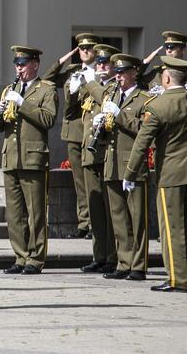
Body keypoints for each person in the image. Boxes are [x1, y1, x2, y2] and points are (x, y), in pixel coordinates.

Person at [84, 53, 150, 280]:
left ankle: (139, 265)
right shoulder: (112, 94)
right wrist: (98, 128)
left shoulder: (144, 98)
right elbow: (107, 134)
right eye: (117, 72)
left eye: (123, 73)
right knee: (118, 218)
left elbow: (144, 129)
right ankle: (123, 262)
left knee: (137, 217)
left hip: (133, 165)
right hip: (111, 163)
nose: (119, 77)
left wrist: (119, 115)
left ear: (134, 73)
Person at [124, 56, 187, 293]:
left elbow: (142, 143)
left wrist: (130, 172)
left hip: (171, 174)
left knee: (171, 228)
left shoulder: (158, 106)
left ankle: (178, 278)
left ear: (167, 77)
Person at [0, 46, 57, 275]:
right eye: (16, 64)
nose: (18, 68)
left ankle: (35, 258)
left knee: (36, 212)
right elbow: (1, 127)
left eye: (23, 63)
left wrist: (22, 103)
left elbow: (48, 119)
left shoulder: (46, 90)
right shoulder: (11, 89)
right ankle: (20, 256)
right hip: (11, 157)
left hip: (33, 158)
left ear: (35, 65)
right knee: (14, 212)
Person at [42, 33, 99, 240]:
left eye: (88, 48)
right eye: (81, 48)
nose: (84, 51)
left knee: (92, 180)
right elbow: (47, 78)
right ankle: (84, 223)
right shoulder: (72, 71)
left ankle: (95, 222)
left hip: (92, 132)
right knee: (79, 181)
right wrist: (65, 58)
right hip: (74, 132)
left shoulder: (101, 73)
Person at [73, 45, 119, 274]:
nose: (101, 66)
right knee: (95, 209)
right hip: (90, 153)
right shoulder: (93, 86)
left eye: (105, 63)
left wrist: (91, 83)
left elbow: (107, 102)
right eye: (98, 62)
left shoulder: (114, 87)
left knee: (110, 209)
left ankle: (113, 255)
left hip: (107, 154)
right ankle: (99, 254)